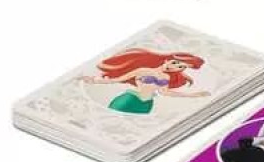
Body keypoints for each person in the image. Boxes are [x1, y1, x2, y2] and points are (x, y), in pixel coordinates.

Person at [80, 49, 209, 115]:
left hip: (147, 103)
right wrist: (94, 80)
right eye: (174, 62)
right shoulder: (143, 70)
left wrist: (193, 95)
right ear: (166, 60)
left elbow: (165, 92)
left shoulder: (166, 77)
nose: (175, 67)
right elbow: (118, 79)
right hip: (129, 99)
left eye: (181, 67)